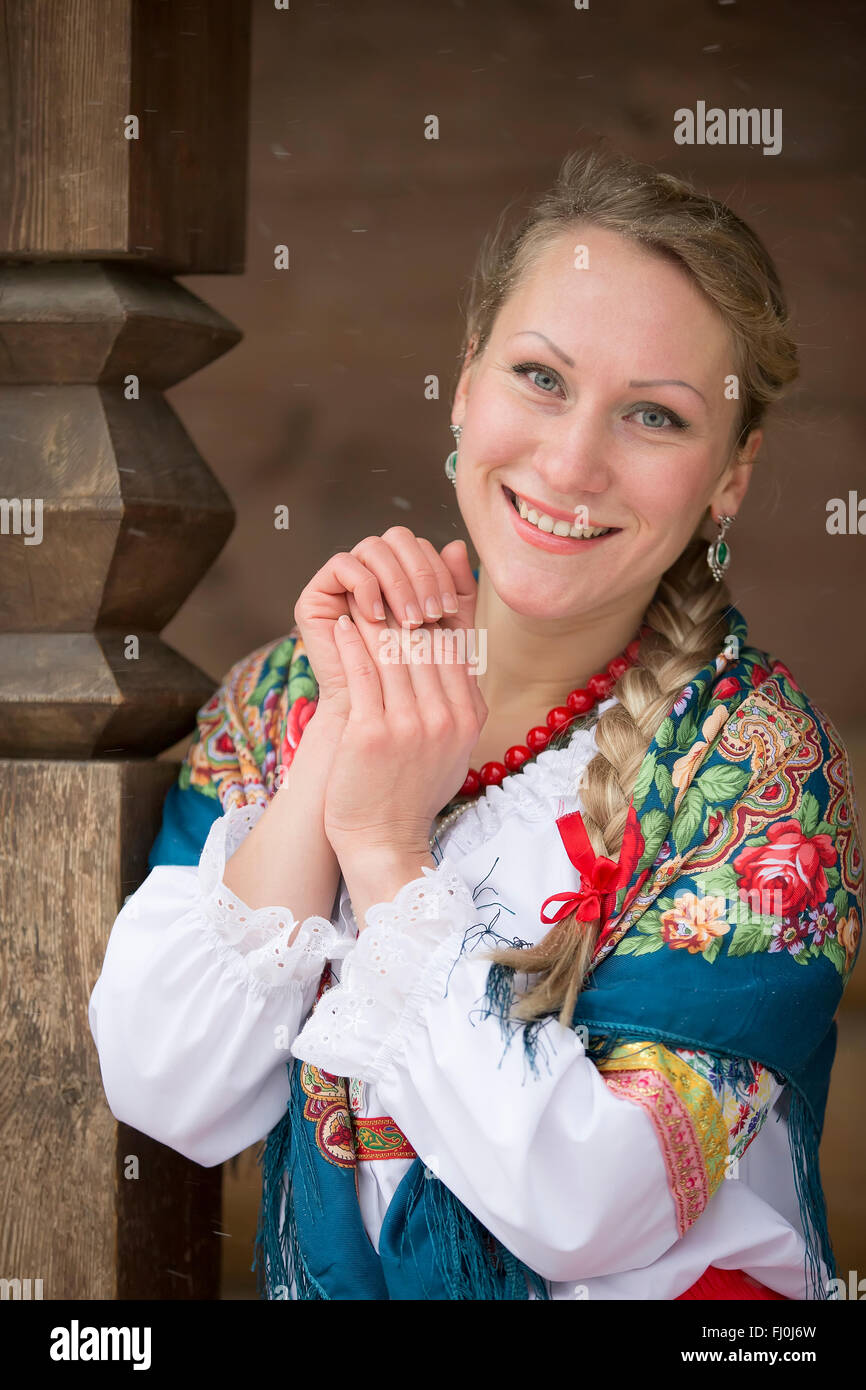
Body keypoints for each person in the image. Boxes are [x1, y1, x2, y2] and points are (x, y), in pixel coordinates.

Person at [88, 148, 863, 1301]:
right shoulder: (285, 694)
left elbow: (587, 1208)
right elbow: (170, 1087)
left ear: (729, 477)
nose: (569, 461)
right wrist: (337, 741)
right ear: (463, 383)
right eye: (540, 378)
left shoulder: (754, 771)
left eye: (652, 415)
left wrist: (392, 855)